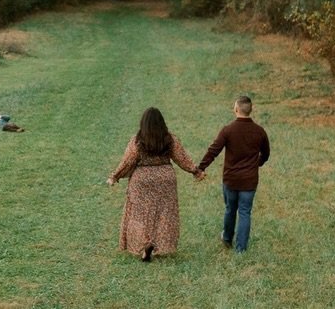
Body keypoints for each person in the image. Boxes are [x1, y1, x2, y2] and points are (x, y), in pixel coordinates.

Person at [107, 107, 203, 262]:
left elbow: (128, 161)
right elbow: (182, 158)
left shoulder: (138, 140)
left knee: (139, 214)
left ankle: (145, 244)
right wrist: (195, 171)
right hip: (165, 179)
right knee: (164, 214)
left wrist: (115, 176)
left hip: (142, 180)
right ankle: (160, 244)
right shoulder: (169, 139)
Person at [197, 95, 270, 253]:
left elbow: (213, 150)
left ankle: (227, 238)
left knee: (230, 208)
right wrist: (258, 163)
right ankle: (241, 249)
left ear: (236, 109)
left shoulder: (228, 130)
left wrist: (201, 167)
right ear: (250, 110)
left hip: (231, 179)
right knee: (245, 212)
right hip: (249, 181)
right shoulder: (259, 131)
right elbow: (266, 153)